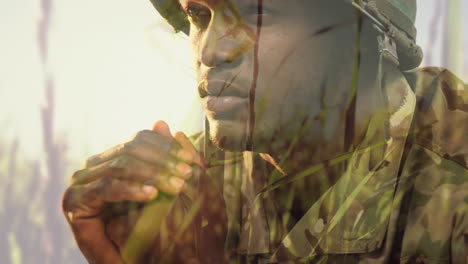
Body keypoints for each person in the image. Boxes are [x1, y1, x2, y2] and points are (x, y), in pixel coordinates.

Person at [62, 0, 468, 263]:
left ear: (367, 34)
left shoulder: (455, 189)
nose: (209, 52)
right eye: (198, 15)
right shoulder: (187, 182)